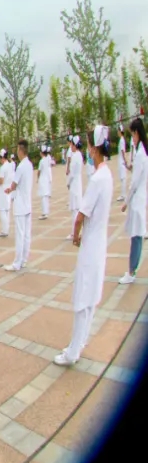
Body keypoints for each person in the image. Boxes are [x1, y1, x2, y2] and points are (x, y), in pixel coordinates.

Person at [54, 126, 113, 367]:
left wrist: (76, 236)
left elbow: (80, 216)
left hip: (90, 245)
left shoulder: (97, 179)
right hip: (100, 243)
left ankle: (72, 353)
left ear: (94, 149)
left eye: (89, 145)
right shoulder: (107, 174)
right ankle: (79, 343)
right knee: (90, 298)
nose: (88, 150)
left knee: (82, 298)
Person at [119, 118, 146, 285]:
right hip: (140, 198)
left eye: (132, 135)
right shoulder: (143, 151)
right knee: (137, 235)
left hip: (137, 200)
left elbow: (134, 183)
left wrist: (126, 202)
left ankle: (131, 271)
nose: (132, 139)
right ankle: (132, 270)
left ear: (136, 133)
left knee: (136, 237)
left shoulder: (141, 154)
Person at [4, 141, 34, 273]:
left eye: (17, 150)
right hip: (27, 203)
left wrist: (9, 189)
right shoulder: (29, 164)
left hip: (21, 204)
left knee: (20, 234)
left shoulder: (21, 167)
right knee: (26, 234)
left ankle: (17, 263)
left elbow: (14, 184)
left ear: (21, 151)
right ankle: (24, 260)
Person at [0, 150, 14, 237]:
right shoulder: (10, 166)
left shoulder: (3, 168)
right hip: (8, 189)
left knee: (2, 210)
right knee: (7, 210)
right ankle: (6, 229)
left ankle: (4, 230)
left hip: (3, 190)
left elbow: (1, 181)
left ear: (2, 158)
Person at [37, 145, 54, 220]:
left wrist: (37, 178)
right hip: (47, 179)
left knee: (43, 197)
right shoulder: (48, 159)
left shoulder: (42, 161)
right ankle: (46, 212)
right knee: (46, 196)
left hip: (43, 179)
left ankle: (44, 213)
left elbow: (39, 171)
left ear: (41, 152)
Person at [117, 125, 129, 202]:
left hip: (121, 161)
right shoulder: (121, 140)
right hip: (121, 160)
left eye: (118, 131)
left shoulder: (121, 140)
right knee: (122, 178)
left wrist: (125, 160)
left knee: (123, 178)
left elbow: (122, 151)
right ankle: (123, 194)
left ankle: (123, 195)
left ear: (120, 131)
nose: (117, 132)